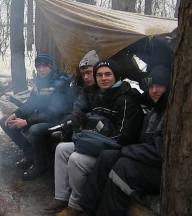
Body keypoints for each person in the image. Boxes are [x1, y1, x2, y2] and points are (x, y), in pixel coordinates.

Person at [43, 59, 144, 216]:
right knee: (62, 149)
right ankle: (61, 197)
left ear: (116, 76)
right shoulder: (99, 96)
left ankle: (75, 205)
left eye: (108, 74)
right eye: (100, 75)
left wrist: (94, 138)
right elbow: (90, 120)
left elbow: (124, 137)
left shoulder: (126, 100)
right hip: (97, 145)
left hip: (116, 153)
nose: (103, 78)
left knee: (77, 159)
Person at [80, 65, 171, 216]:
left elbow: (160, 151)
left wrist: (127, 151)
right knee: (107, 156)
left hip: (164, 169)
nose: (154, 90)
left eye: (160, 86)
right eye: (152, 86)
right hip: (148, 160)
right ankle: (88, 209)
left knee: (124, 167)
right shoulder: (154, 112)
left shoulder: (172, 112)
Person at [0, 50, 74, 180]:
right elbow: (31, 103)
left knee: (34, 130)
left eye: (45, 66)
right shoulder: (39, 82)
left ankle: (40, 166)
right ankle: (30, 155)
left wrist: (27, 121)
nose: (41, 69)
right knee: (5, 121)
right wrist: (16, 113)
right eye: (38, 66)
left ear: (51, 66)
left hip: (58, 121)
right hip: (40, 118)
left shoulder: (60, 84)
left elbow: (53, 113)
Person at [49, 50, 100, 142]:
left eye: (89, 72)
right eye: (83, 74)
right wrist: (72, 117)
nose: (86, 77)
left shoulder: (105, 88)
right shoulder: (87, 88)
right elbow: (80, 106)